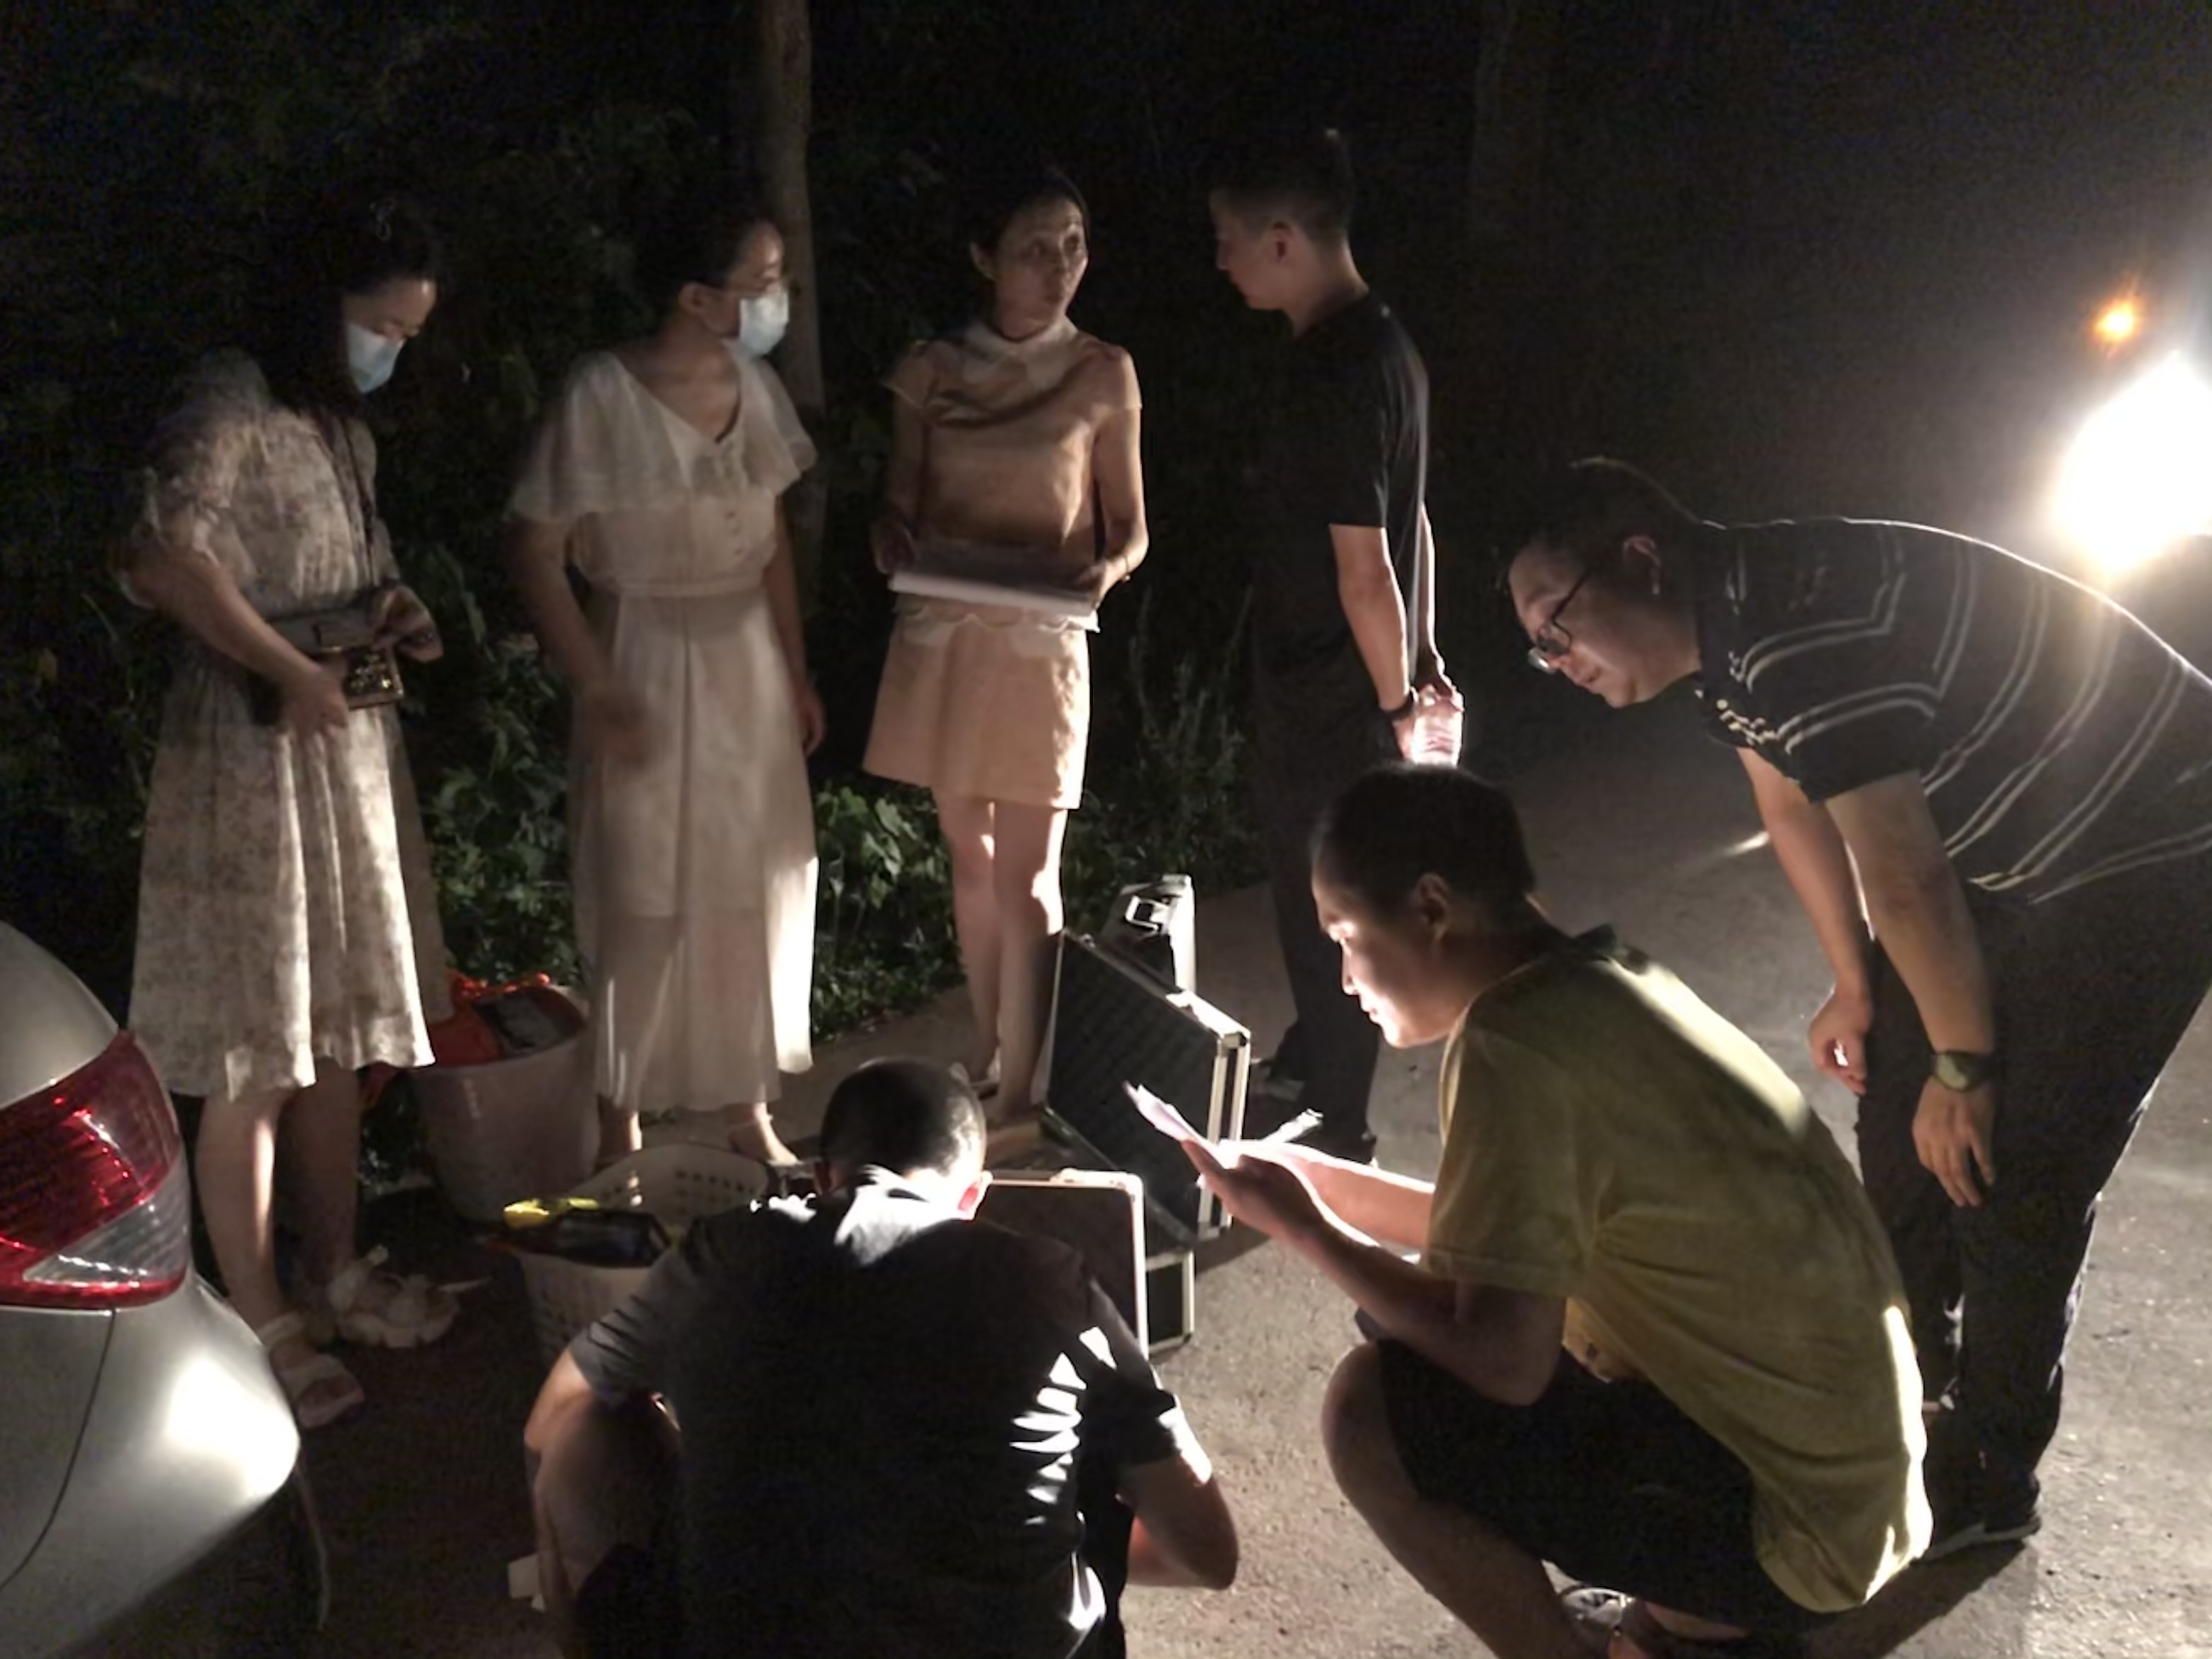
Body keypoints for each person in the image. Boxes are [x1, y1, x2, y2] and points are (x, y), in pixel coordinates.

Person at [1505, 459, 2212, 1558]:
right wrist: (1854, 983)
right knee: (1898, 1122)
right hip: (2009, 842)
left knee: (2015, 1170)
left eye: (1558, 626)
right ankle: (1898, 1397)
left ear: (1641, 559)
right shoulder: (1725, 642)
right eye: (1538, 649)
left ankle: (1988, 1471)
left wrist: (1966, 1068)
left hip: (2150, 845)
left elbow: (1907, 877)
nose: (1558, 663)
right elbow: (1791, 810)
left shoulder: (1795, 626)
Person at [1166, 764, 1926, 1659]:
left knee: (1373, 1410)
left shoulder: (1511, 1046)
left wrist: (1306, 1229)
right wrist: (1319, 1183)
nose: (1342, 978)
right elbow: (1503, 1230)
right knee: (1428, 1307)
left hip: (1789, 1532)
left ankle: (1654, 1629)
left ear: (1431, 907)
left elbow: (1503, 1363)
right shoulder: (1605, 982)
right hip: (1855, 1487)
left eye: (1346, 936)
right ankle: (1684, 1618)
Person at [523, 1058, 1236, 1659]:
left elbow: (549, 1420)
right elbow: (1208, 1554)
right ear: (976, 1195)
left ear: (821, 1176)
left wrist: (695, 1462)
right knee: (1098, 1467)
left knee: (581, 1437)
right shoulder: (1049, 1280)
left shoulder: (720, 1253)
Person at [116, 191, 460, 1427]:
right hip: (257, 752)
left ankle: (337, 1267)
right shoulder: (233, 400)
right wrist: (283, 664)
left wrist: (390, 609)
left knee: (335, 1030)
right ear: (324, 303)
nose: (391, 350)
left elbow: (341, 562)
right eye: (382, 325)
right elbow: (164, 558)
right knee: (259, 1047)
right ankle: (261, 1314)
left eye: (407, 334)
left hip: (340, 738)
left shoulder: (332, 422)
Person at [509, 196, 824, 1171]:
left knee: (752, 877)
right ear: (696, 295)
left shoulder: (755, 386)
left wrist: (797, 670)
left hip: (745, 658)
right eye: (760, 282)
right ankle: (621, 1121)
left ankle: (745, 1103)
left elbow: (771, 545)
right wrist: (597, 683)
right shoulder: (601, 393)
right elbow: (535, 550)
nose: (777, 297)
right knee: (642, 886)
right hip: (643, 648)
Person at [862, 167, 1147, 1121]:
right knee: (969, 852)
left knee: (1030, 871)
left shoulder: (1101, 370)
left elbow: (1130, 528)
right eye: (1035, 249)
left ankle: (1027, 1084)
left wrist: (1107, 571)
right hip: (949, 631)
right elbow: (899, 503)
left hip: (1040, 638)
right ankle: (986, 1045)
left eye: (1073, 245)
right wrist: (890, 537)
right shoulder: (933, 368)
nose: (1060, 267)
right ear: (984, 258)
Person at [1209, 127, 1453, 1164]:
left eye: (1229, 239)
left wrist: (1398, 705)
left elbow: (1365, 565)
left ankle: (1336, 1124)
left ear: (1282, 241)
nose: (1220, 260)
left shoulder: (1334, 372)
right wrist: (1425, 663)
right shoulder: (1390, 347)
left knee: (1329, 905)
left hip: (1329, 694)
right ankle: (1317, 1061)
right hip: (1356, 684)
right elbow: (1415, 522)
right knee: (1341, 889)